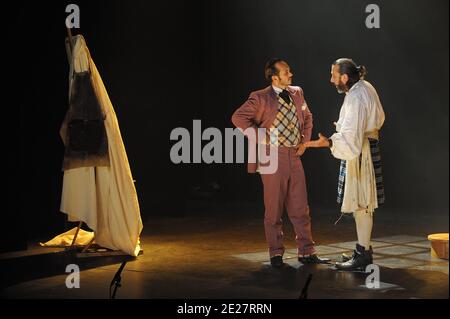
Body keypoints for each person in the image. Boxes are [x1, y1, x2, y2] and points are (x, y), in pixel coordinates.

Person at [231, 58, 329, 268]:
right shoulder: (259, 97)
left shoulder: (297, 92)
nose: (290, 74)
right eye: (286, 72)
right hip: (272, 157)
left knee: (300, 206)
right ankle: (276, 253)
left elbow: (307, 117)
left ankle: (306, 251)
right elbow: (238, 118)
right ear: (274, 77)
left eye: (289, 71)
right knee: (274, 208)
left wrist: (304, 142)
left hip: (293, 155)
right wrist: (261, 137)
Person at [305, 58, 385, 270]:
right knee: (363, 205)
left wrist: (329, 142)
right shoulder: (364, 87)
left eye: (333, 75)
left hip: (360, 151)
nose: (331, 80)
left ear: (344, 77)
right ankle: (363, 250)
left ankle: (362, 256)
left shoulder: (356, 96)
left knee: (362, 204)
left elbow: (351, 138)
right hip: (364, 146)